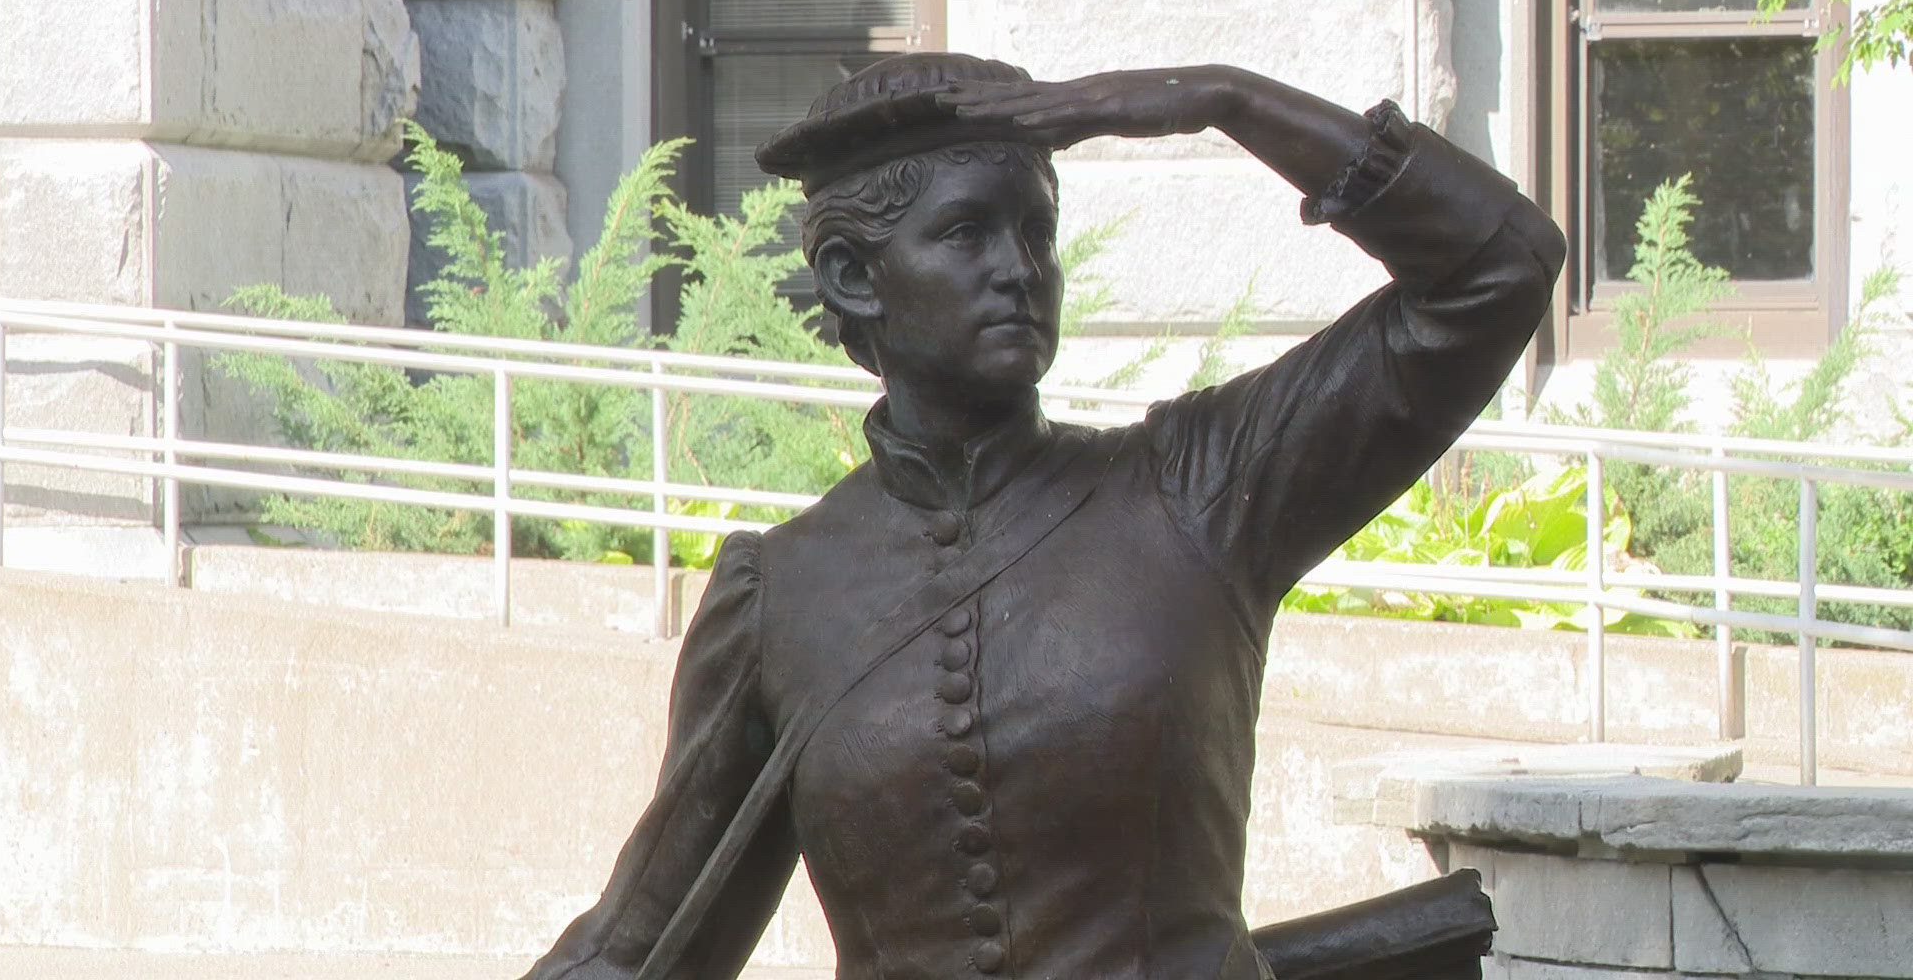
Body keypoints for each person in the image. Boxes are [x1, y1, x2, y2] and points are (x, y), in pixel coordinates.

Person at [519, 54, 1566, 980]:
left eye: (1037, 232)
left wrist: (1220, 99)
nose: (1021, 271)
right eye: (968, 234)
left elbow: (1499, 264)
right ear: (852, 276)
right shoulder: (776, 599)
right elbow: (643, 945)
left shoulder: (1199, 491)